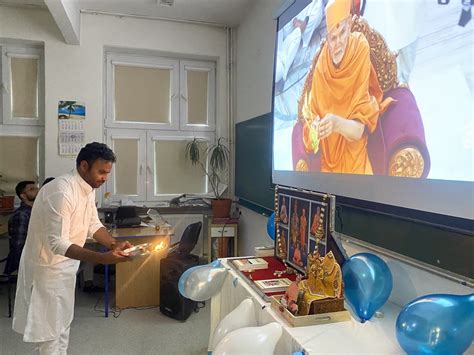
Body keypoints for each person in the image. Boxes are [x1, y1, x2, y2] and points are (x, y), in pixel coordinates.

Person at [13, 142, 132, 354]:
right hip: (46, 271)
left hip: (65, 269)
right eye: (101, 172)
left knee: (62, 327)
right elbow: (58, 243)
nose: (104, 178)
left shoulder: (87, 189)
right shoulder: (61, 191)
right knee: (48, 334)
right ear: (84, 166)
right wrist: (102, 258)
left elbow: (93, 224)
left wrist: (113, 244)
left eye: (107, 173)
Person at [302, 0, 393, 174]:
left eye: (342, 32)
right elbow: (311, 117)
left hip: (353, 149)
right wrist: (315, 127)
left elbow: (358, 131)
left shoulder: (360, 47)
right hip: (329, 156)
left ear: (350, 24)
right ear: (327, 38)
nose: (338, 44)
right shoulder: (322, 65)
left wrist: (336, 123)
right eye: (332, 38)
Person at [5, 181, 39, 274]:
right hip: (28, 260)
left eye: (36, 188)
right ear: (23, 196)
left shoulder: (36, 211)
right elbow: (18, 244)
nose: (37, 190)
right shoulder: (22, 215)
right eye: (32, 189)